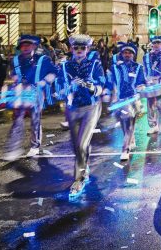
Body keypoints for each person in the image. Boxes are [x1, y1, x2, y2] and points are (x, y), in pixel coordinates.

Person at [56, 34, 106, 200]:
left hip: (90, 107)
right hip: (72, 108)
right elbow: (59, 86)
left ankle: (79, 178)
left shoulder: (94, 65)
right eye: (76, 48)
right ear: (71, 49)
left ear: (87, 49)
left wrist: (91, 86)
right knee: (78, 145)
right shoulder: (65, 66)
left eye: (82, 48)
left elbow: (101, 84)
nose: (79, 50)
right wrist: (68, 87)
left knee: (82, 143)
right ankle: (85, 166)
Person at [3, 35, 57, 160]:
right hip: (19, 93)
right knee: (17, 118)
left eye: (28, 45)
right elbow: (11, 75)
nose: (25, 47)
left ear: (34, 46)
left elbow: (54, 72)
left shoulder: (43, 59)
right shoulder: (15, 60)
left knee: (35, 119)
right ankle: (14, 147)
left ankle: (34, 147)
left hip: (36, 93)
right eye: (23, 45)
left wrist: (43, 82)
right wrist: (13, 81)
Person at [106, 42, 145, 161]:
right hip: (119, 100)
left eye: (129, 52)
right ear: (121, 54)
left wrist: (141, 86)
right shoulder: (115, 67)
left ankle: (125, 149)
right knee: (125, 124)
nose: (127, 54)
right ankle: (130, 139)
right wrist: (107, 92)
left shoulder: (138, 67)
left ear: (133, 54)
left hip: (132, 99)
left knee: (130, 123)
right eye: (125, 52)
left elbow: (141, 81)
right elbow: (109, 82)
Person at [142, 36, 161, 135]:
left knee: (160, 104)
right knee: (150, 104)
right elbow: (144, 70)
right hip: (150, 83)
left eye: (158, 43)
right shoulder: (146, 56)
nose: (156, 45)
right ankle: (153, 126)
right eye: (154, 43)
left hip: (160, 82)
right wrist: (145, 79)